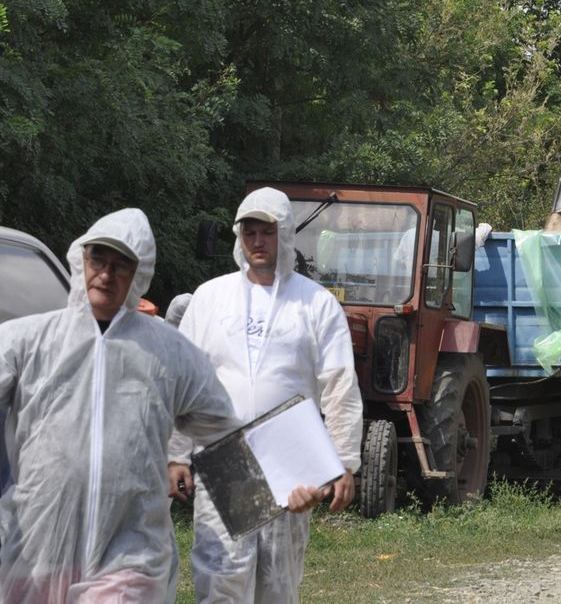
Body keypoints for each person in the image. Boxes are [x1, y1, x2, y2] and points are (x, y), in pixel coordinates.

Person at [0, 208, 242, 602]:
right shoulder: (27, 341)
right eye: (98, 259)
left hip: (131, 552)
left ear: (139, 274)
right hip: (37, 545)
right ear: (82, 260)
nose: (106, 274)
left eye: (120, 265)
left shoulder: (168, 352)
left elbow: (224, 430)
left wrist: (266, 505)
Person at [169, 187, 363, 603]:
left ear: (286, 235)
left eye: (267, 232)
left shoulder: (315, 304)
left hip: (290, 462)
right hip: (225, 459)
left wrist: (343, 462)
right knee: (221, 580)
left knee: (278, 584)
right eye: (249, 232)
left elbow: (339, 382)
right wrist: (176, 453)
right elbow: (186, 379)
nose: (257, 241)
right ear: (239, 237)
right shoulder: (210, 298)